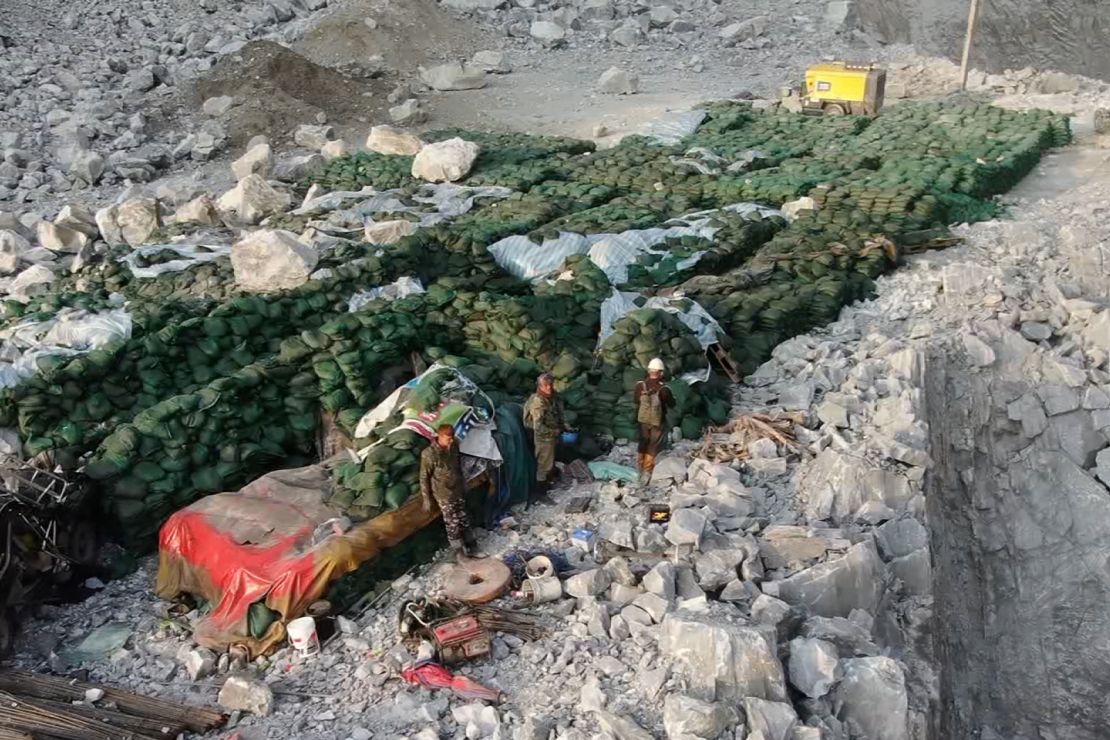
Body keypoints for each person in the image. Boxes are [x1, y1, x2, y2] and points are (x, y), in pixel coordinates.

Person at [420, 424, 476, 561]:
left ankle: (472, 546)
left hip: (457, 488)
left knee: (463, 518)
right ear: (439, 436)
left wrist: (464, 484)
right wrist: (426, 498)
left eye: (451, 438)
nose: (450, 441)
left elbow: (458, 466)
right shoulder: (430, 454)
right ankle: (459, 552)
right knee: (452, 523)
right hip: (443, 493)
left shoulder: (455, 444)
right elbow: (424, 477)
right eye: (447, 439)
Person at [633, 358, 674, 486]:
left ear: (649, 371)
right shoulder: (664, 389)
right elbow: (672, 404)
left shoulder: (640, 385)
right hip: (657, 421)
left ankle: (639, 467)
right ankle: (647, 471)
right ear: (661, 373)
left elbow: (636, 400)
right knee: (653, 445)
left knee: (643, 441)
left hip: (643, 420)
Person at [523, 373, 565, 493]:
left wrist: (563, 426)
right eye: (545, 386)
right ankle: (541, 491)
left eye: (550, 385)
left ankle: (549, 480)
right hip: (543, 436)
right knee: (544, 465)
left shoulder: (551, 398)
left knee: (550, 461)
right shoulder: (538, 402)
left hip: (551, 432)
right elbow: (538, 427)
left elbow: (556, 413)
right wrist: (554, 432)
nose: (549, 388)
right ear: (540, 386)